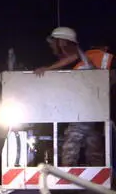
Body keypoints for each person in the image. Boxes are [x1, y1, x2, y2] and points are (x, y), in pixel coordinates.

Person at [35, 27, 105, 166]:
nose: (52, 47)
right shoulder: (79, 61)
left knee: (72, 140)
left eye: (53, 43)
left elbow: (73, 57)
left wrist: (47, 69)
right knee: (93, 142)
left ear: (62, 42)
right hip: (91, 110)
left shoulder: (79, 56)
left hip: (86, 109)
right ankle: (97, 180)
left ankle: (68, 176)